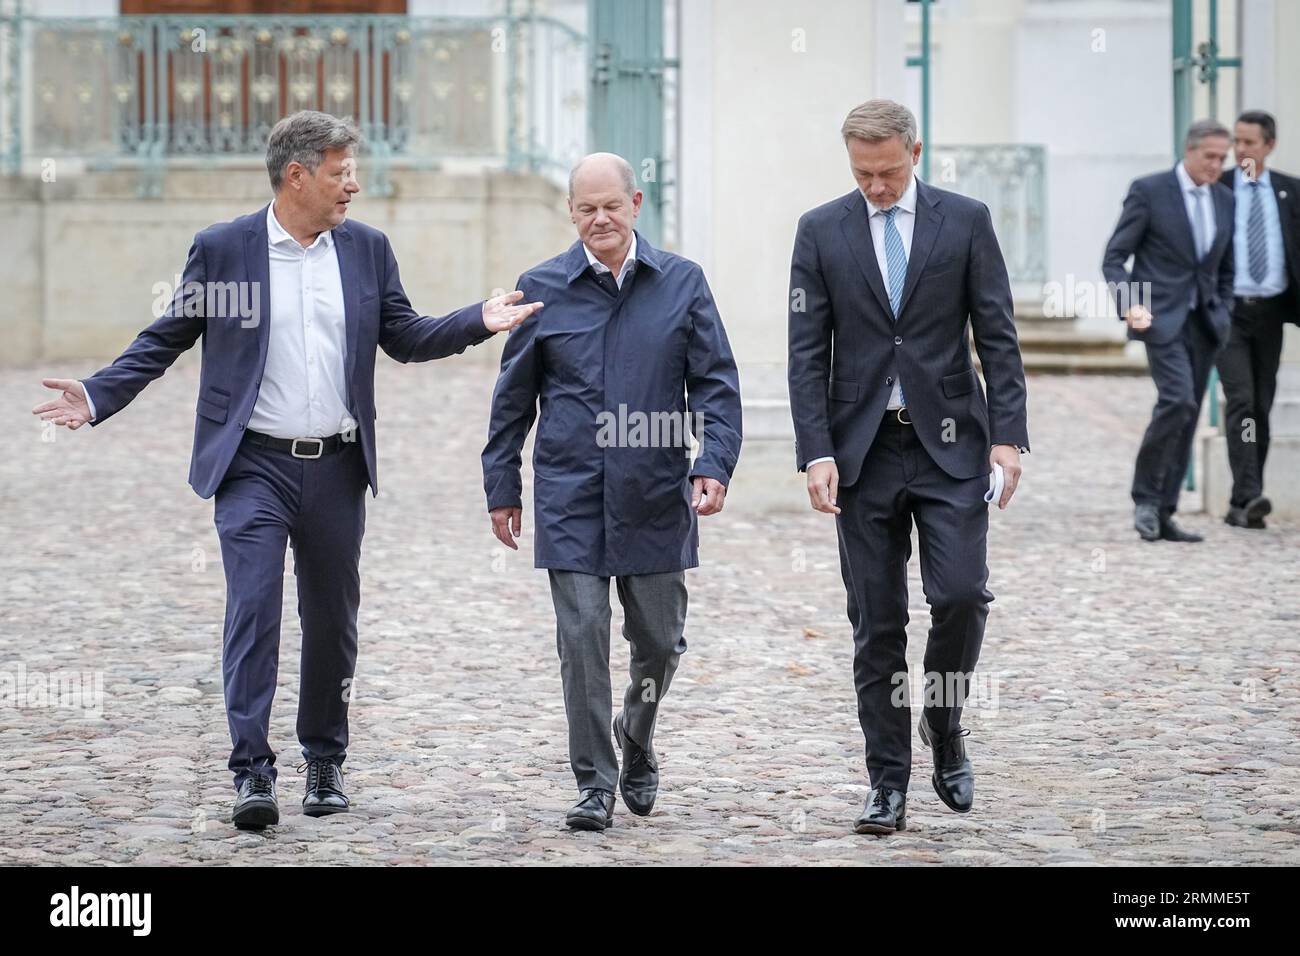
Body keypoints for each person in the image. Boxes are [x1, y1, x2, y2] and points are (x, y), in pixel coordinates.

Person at [31, 110, 542, 830]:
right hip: (252, 467)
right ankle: (251, 772)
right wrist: (96, 393)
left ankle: (325, 760)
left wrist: (476, 320)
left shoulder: (365, 250)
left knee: (332, 621)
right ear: (297, 176)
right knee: (253, 610)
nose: (353, 186)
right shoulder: (224, 250)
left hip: (336, 467)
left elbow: (405, 335)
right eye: (340, 173)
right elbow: (167, 337)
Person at [787, 99, 1028, 835]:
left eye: (889, 171)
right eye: (864, 174)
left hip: (951, 441)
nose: (878, 187)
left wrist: (1009, 439)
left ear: (915, 153)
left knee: (959, 595)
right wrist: (816, 450)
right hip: (862, 452)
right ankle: (886, 782)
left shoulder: (966, 220)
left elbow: (998, 331)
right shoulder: (821, 229)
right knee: (877, 620)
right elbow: (806, 351)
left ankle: (944, 722)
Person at [482, 152, 742, 832]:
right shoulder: (541, 288)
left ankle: (636, 730)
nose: (600, 218)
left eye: (611, 206)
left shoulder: (682, 283)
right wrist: (502, 485)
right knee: (582, 638)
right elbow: (513, 401)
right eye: (586, 208)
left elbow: (715, 383)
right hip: (570, 493)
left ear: (635, 205)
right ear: (571, 214)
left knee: (660, 641)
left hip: (656, 492)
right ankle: (594, 782)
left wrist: (712, 461)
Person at [1102, 119, 1236, 542]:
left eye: (1222, 158)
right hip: (1160, 318)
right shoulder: (1149, 190)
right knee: (1176, 399)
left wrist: (1225, 309)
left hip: (1206, 322)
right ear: (1189, 150)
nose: (1217, 165)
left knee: (1190, 410)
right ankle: (1145, 498)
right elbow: (1114, 258)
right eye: (1210, 156)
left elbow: (1226, 266)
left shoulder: (1226, 199)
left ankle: (1165, 511)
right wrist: (1131, 305)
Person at [1217, 110, 1300, 529]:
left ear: (1269, 145)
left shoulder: (1291, 191)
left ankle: (1242, 500)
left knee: (1261, 407)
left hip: (1271, 314)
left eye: (1250, 142)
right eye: (1237, 141)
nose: (1241, 149)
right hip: (1229, 312)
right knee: (1243, 401)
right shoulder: (1220, 188)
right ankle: (1249, 494)